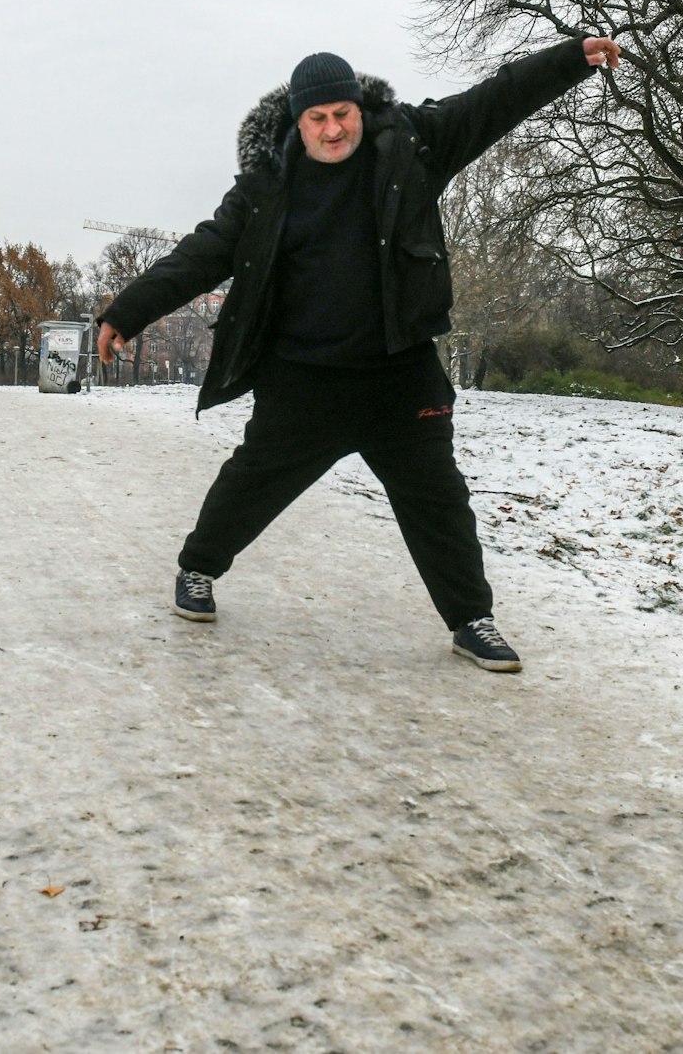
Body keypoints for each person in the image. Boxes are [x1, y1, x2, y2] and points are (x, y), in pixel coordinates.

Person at [97, 34, 621, 672]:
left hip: (398, 374)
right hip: (303, 379)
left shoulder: (411, 144)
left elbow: (493, 101)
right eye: (317, 118)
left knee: (438, 501)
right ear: (298, 122)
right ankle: (197, 569)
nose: (332, 128)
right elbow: (203, 252)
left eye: (341, 112)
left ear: (359, 107)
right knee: (252, 483)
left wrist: (569, 60)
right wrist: (128, 311)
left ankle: (471, 620)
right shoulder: (267, 186)